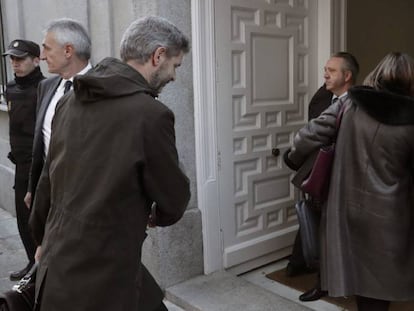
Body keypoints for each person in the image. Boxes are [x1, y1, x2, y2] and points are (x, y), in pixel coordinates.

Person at [29, 16, 191, 311]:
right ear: (158, 56)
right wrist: (159, 215)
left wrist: (41, 238)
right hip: (104, 274)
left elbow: (47, 180)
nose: (174, 76)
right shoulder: (151, 115)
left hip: (58, 263)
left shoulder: (70, 100)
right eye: (175, 65)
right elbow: (174, 197)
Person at [285, 52, 414, 311]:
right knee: (378, 287)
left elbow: (305, 137)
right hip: (391, 216)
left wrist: (293, 158)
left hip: (345, 209)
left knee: (357, 277)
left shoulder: (348, 104)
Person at [284, 52, 359, 302]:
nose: (325, 74)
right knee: (321, 231)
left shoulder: (358, 105)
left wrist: (293, 157)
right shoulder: (324, 99)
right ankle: (323, 282)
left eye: (332, 70)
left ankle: (342, 282)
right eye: (325, 69)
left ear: (347, 76)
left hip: (347, 181)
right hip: (323, 180)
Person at [24, 18, 92, 210]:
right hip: (48, 193)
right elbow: (41, 143)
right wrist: (33, 187)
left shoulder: (103, 90)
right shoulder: (45, 87)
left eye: (46, 48)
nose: (42, 56)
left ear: (68, 51)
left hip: (85, 200)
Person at [2, 39, 45, 281]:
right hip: (20, 165)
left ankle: (44, 269)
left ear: (36, 60)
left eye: (20, 59)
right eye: (12, 59)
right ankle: (32, 264)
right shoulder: (10, 88)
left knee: (40, 220)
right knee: (23, 220)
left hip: (40, 166)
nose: (15, 63)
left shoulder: (46, 87)